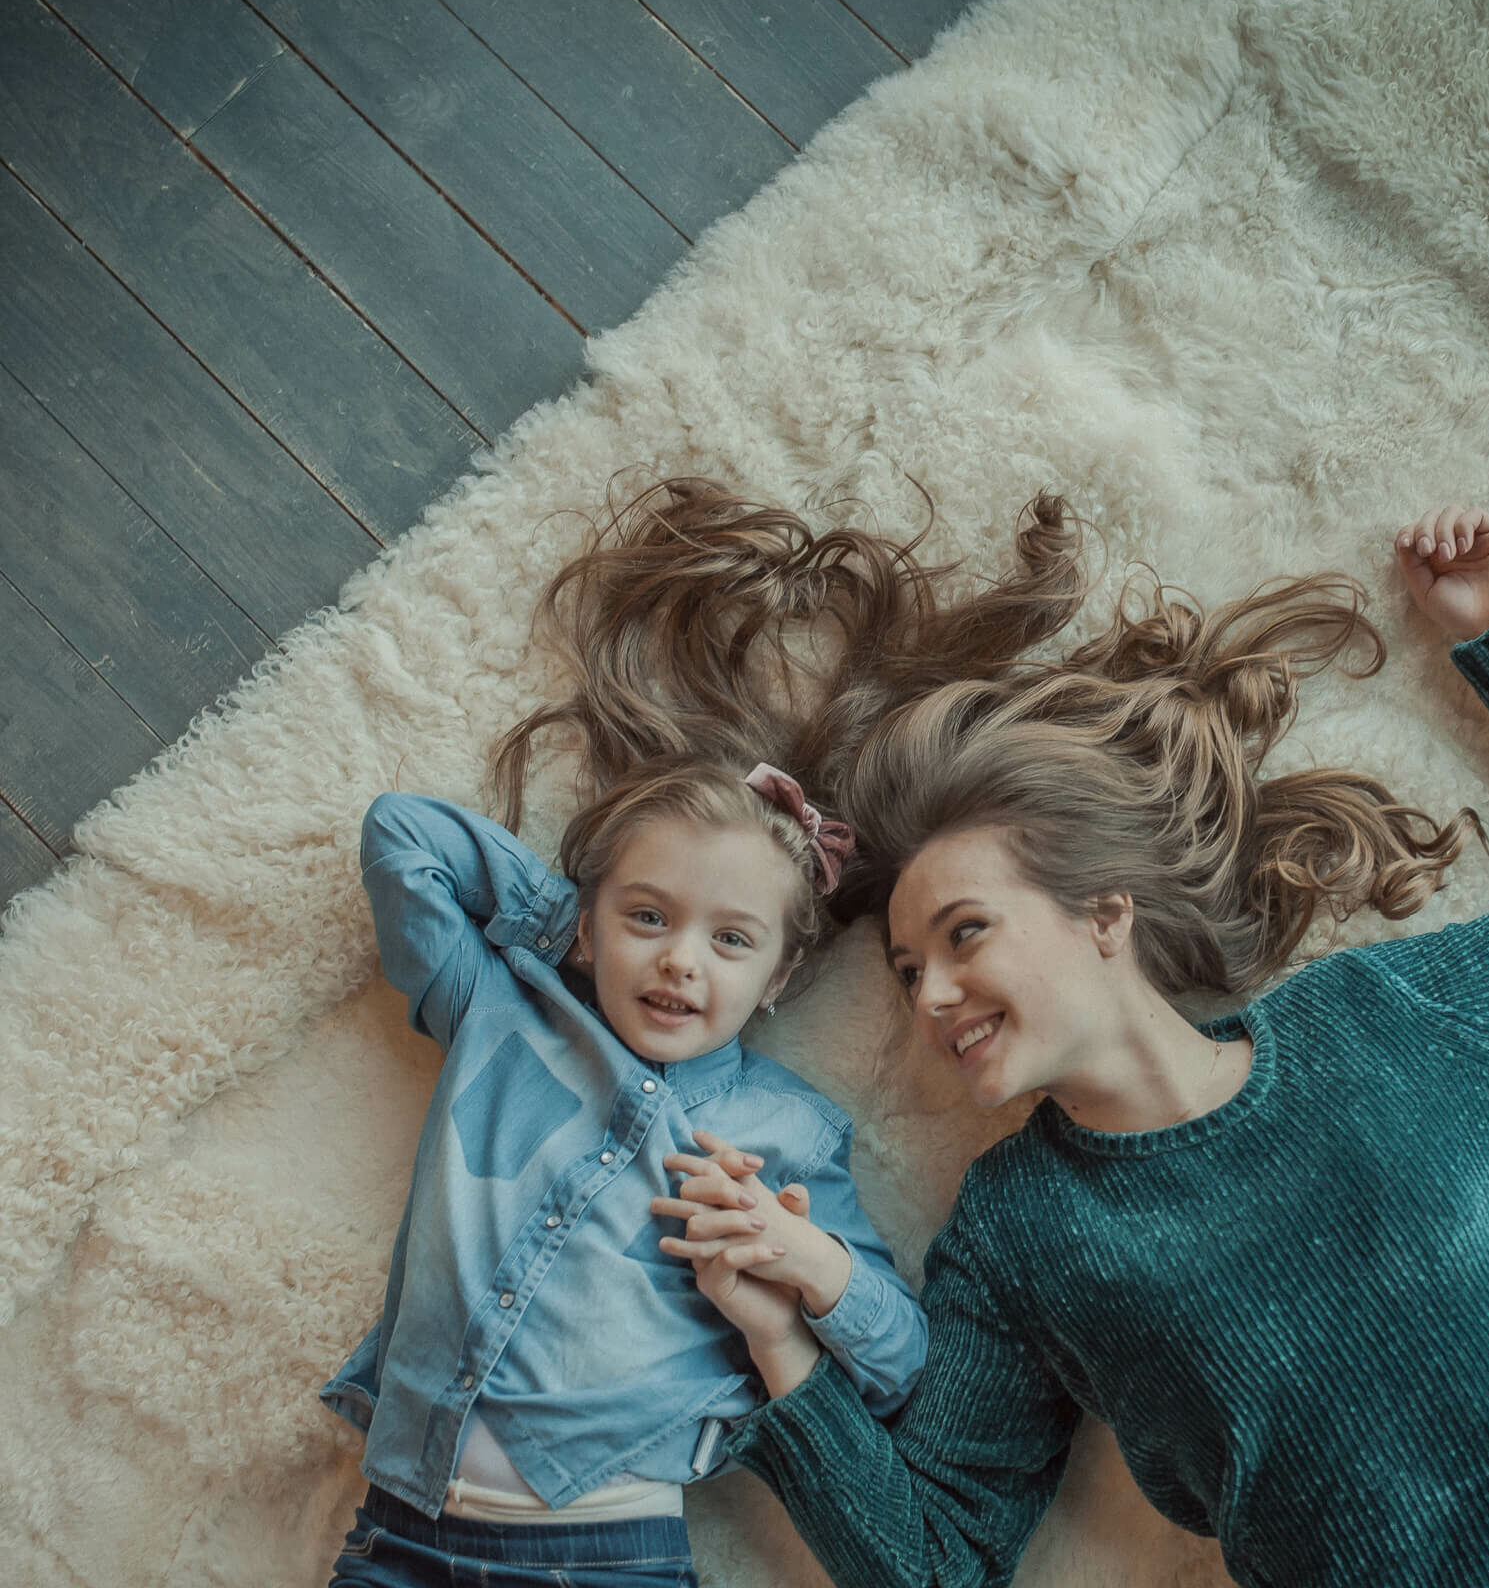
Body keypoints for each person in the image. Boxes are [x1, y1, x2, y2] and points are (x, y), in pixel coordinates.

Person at [657, 506, 1489, 1586]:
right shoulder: (1020, 1237)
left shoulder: (1385, 1016)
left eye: (964, 934)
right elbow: (933, 1564)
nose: (934, 996)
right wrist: (778, 1341)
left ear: (1104, 915)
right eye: (910, 972)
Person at [319, 476, 1086, 1588]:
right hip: (398, 1529)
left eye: (731, 941)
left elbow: (902, 1363)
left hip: (607, 1550)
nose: (679, 959)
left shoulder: (783, 1132)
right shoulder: (502, 1014)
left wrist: (807, 1260)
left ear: (778, 977)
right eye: (648, 918)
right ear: (591, 923)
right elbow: (404, 837)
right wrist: (562, 934)